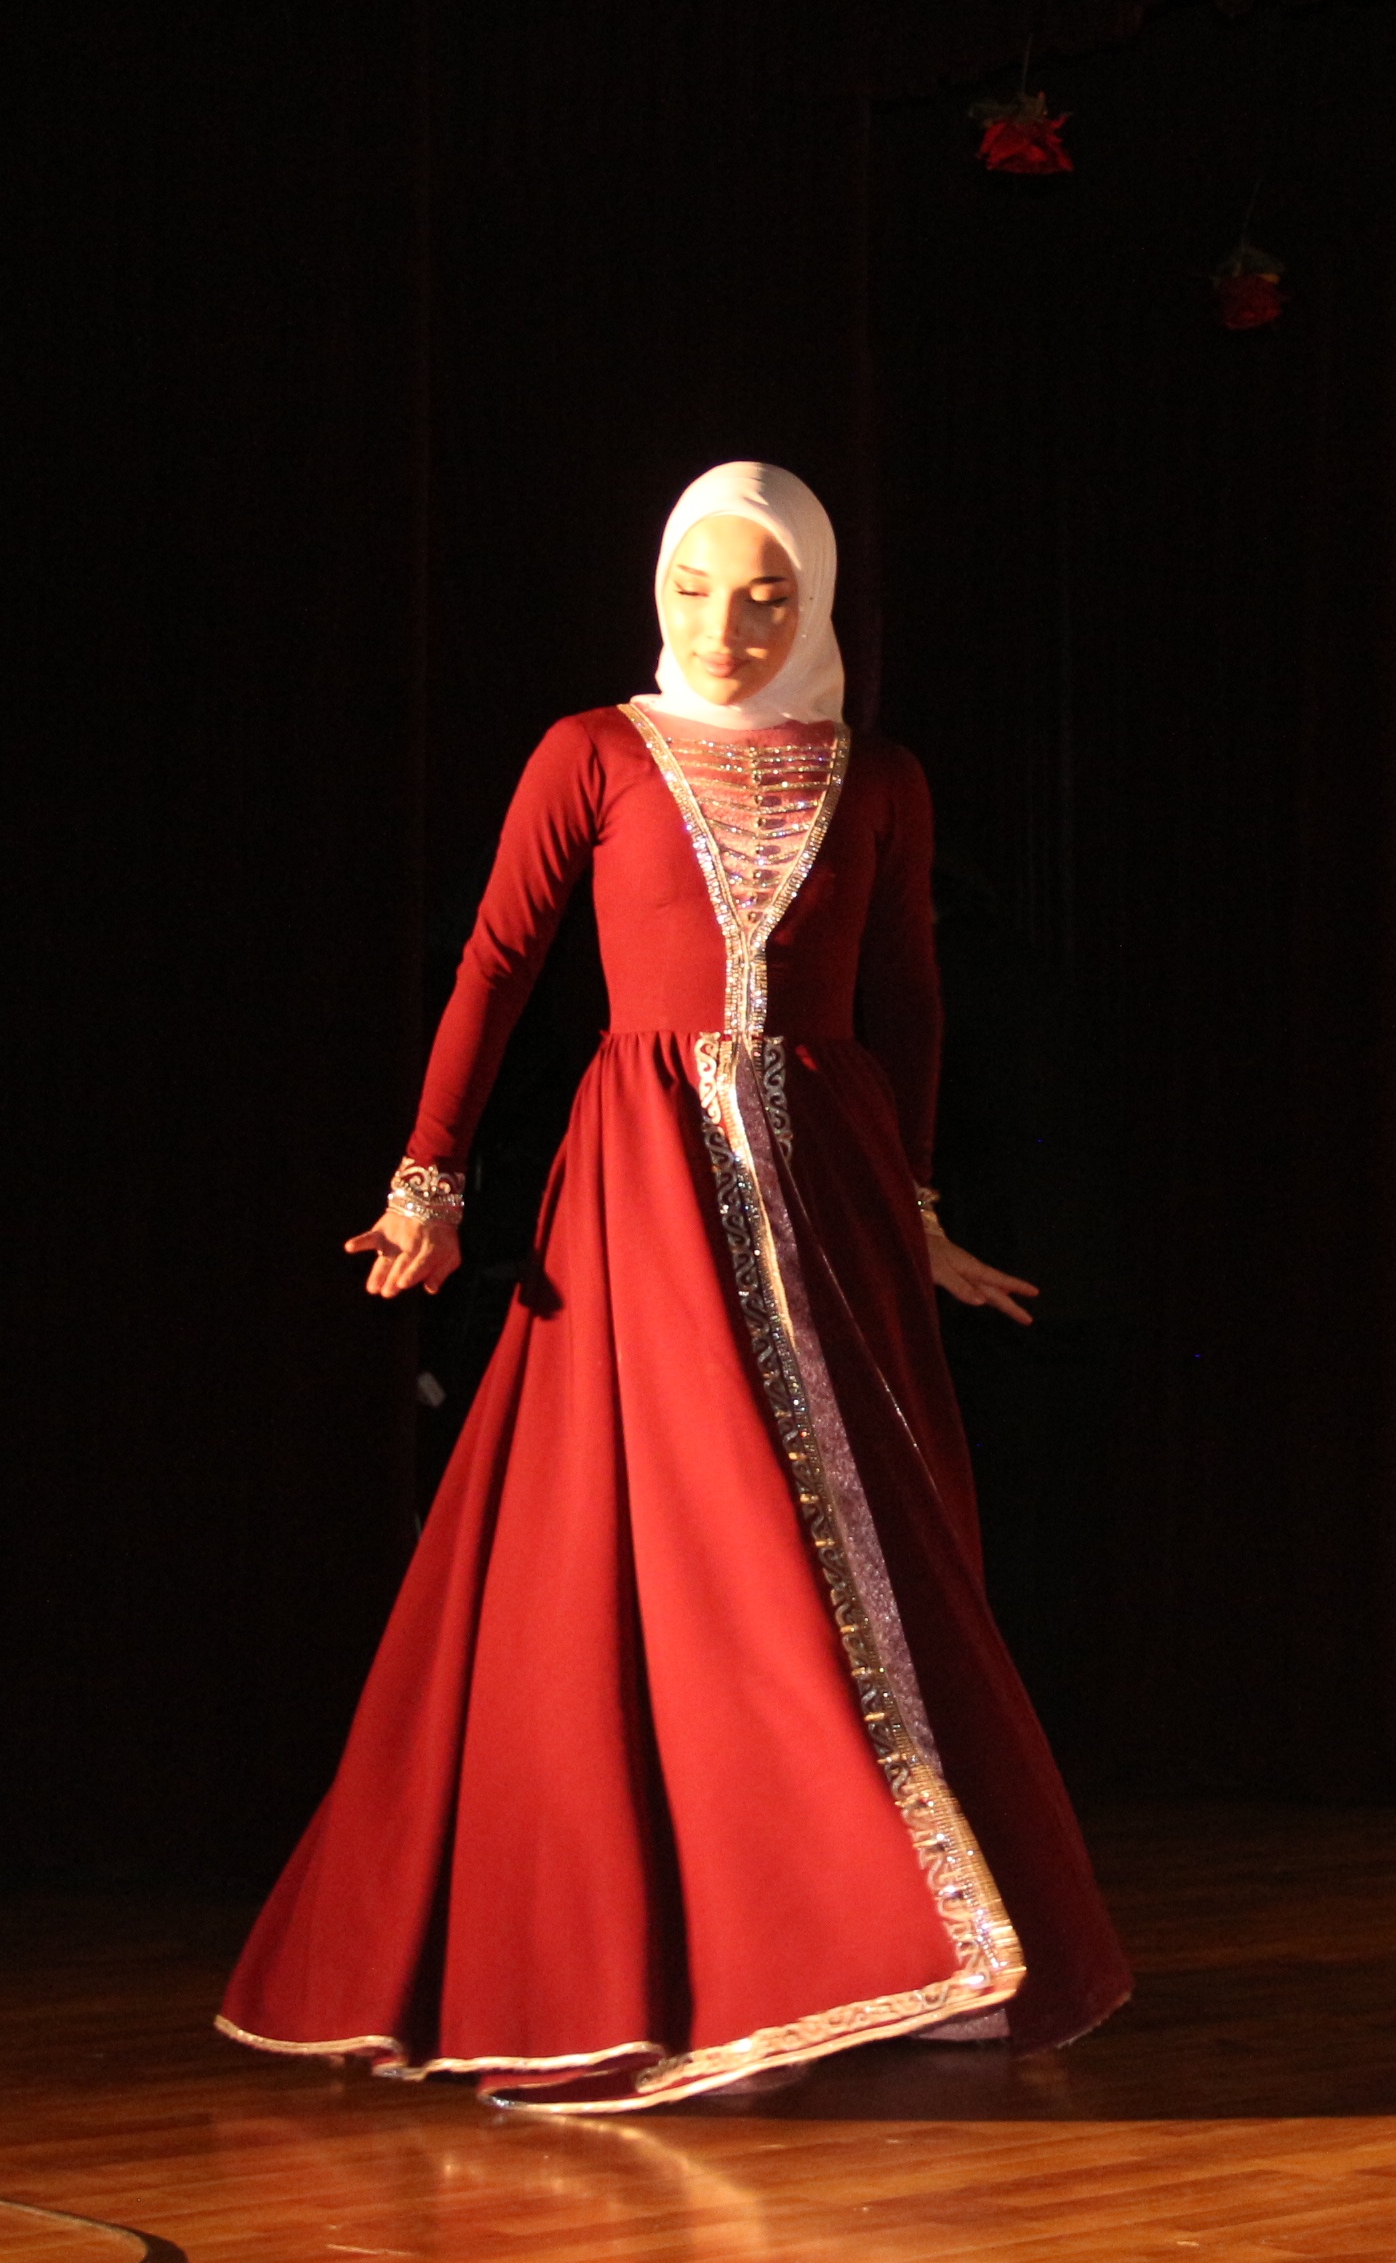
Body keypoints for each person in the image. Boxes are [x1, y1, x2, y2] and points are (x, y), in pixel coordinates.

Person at [217, 463, 1132, 2112]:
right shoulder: (594, 751)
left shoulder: (878, 777)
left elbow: (911, 999)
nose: (728, 628)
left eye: (768, 597)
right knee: (683, 1548)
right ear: (659, 589)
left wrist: (915, 1206)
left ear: (817, 605)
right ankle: (694, 1957)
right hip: (642, 1183)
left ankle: (876, 1943)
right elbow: (499, 963)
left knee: (858, 1547)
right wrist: (429, 1178)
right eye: (700, 590)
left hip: (829, 1183)